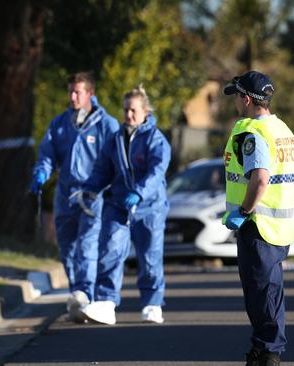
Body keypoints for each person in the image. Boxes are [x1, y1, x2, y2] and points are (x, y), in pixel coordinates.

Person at [221, 71, 294, 366]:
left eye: (237, 96)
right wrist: (285, 203)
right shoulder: (282, 131)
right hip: (279, 229)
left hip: (258, 228)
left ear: (246, 99)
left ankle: (268, 352)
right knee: (269, 291)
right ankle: (263, 348)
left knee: (261, 293)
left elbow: (260, 179)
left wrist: (246, 211)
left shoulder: (252, 133)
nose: (235, 102)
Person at [78, 84, 171, 325]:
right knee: (110, 251)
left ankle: (152, 304)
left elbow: (156, 172)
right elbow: (102, 170)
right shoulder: (115, 139)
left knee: (150, 256)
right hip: (118, 204)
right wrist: (90, 189)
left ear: (145, 111)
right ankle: (106, 302)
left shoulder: (155, 139)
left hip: (150, 207)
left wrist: (139, 193)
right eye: (125, 110)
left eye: (133, 111)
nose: (128, 115)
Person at [30, 72, 119, 321]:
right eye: (70, 91)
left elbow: (116, 160)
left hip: (94, 195)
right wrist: (41, 173)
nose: (72, 97)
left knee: (87, 247)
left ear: (90, 94)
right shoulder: (60, 123)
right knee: (67, 249)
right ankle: (76, 294)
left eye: (77, 92)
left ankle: (84, 294)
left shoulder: (107, 125)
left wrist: (111, 188)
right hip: (65, 194)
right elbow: (48, 154)